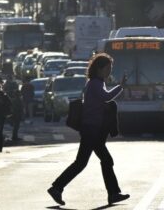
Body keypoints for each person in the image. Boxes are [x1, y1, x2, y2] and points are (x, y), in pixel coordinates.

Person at [48, 53, 130, 206]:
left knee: (103, 160)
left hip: (94, 130)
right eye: (108, 68)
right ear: (99, 68)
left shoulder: (96, 82)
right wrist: (121, 86)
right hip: (91, 129)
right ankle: (57, 187)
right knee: (82, 163)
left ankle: (113, 193)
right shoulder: (95, 83)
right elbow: (106, 97)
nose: (109, 71)